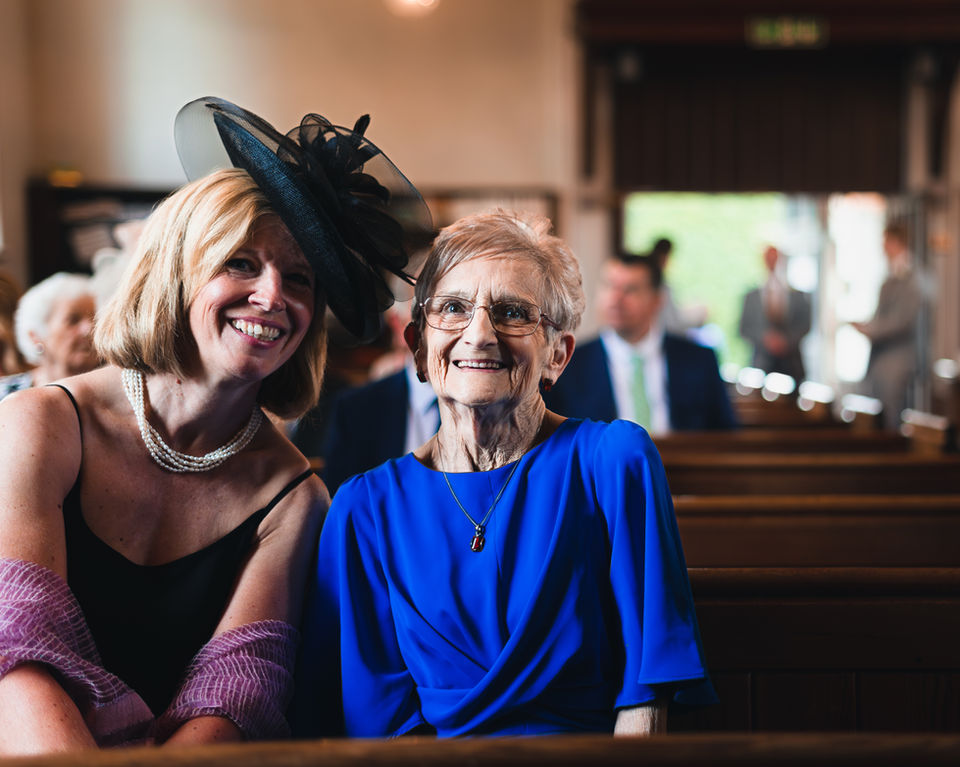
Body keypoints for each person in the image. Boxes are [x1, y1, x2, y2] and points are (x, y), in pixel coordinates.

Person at [0, 97, 430, 753]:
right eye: (240, 263)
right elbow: (18, 653)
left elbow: (230, 702)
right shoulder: (41, 423)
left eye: (299, 279)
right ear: (175, 272)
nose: (272, 297)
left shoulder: (293, 499)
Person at [294, 211, 712, 738]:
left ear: (557, 355)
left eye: (513, 312)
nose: (480, 335)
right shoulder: (365, 507)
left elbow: (645, 698)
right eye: (453, 308)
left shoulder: (613, 461)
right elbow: (374, 720)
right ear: (420, 349)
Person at [544, 253, 736, 432]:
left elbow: (726, 435)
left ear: (657, 300)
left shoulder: (698, 360)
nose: (616, 299)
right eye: (609, 286)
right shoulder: (567, 363)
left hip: (684, 464)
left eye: (630, 290)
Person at [311, 300, 439, 495]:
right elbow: (341, 503)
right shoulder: (356, 409)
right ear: (398, 323)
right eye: (428, 315)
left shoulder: (494, 407)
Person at [851, 223, 924, 428]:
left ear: (896, 243)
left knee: (892, 421)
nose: (883, 249)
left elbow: (902, 321)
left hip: (897, 360)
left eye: (885, 243)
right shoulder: (891, 277)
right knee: (875, 419)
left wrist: (870, 329)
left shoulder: (911, 276)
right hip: (881, 359)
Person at [0, 272, 100, 401]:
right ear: (35, 337)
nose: (89, 328)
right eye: (73, 320)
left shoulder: (117, 391)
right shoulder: (6, 396)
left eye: (94, 318)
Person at [738, 245, 812, 382]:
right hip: (761, 364)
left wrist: (785, 341)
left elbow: (806, 325)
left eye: (775, 259)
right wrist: (765, 339)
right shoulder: (751, 296)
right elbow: (743, 329)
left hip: (792, 367)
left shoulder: (798, 295)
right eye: (769, 259)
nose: (772, 263)